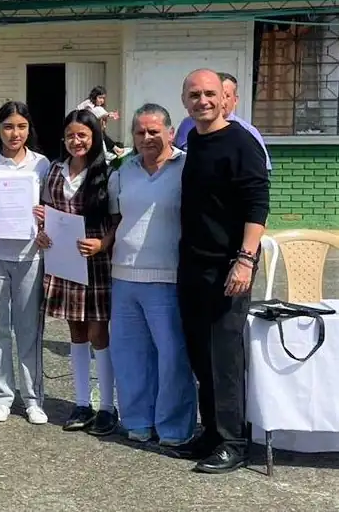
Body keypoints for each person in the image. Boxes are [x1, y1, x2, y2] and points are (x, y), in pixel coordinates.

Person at [173, 69, 270, 474]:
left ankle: (233, 441)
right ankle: (212, 433)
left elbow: (257, 204)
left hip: (230, 266)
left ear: (225, 98)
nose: (203, 101)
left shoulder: (241, 141)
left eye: (210, 94)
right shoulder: (194, 139)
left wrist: (245, 260)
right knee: (200, 355)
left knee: (225, 357)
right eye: (194, 94)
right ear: (185, 100)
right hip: (193, 263)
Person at [107, 104, 196, 447]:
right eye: (140, 132)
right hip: (124, 275)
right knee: (130, 355)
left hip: (168, 276)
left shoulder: (186, 167)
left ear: (170, 133)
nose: (147, 138)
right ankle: (138, 420)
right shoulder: (123, 170)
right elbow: (114, 221)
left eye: (154, 131)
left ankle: (173, 428)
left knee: (172, 356)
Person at [36, 109, 118, 436]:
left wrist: (102, 244)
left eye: (83, 135)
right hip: (64, 262)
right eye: (71, 135)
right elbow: (46, 215)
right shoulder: (55, 171)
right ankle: (82, 402)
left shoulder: (109, 174)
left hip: (95, 262)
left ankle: (108, 407)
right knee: (76, 333)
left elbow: (117, 222)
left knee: (100, 334)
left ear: (95, 137)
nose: (76, 141)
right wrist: (41, 232)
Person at [0, 101, 51, 426]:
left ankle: (33, 398)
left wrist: (46, 218)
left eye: (21, 127)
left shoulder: (42, 165)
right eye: (8, 127)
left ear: (28, 129)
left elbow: (54, 207)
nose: (14, 133)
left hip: (29, 255)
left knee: (29, 329)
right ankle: (2, 395)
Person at [173, 72, 270, 170]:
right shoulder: (188, 127)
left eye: (226, 96)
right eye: (195, 95)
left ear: (235, 100)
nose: (203, 101)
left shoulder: (246, 135)